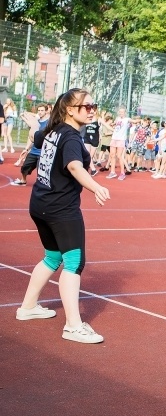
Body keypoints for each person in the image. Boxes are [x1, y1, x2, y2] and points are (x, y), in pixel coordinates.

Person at [16, 89, 110, 343]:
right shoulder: (69, 137)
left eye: (93, 105)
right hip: (61, 208)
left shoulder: (53, 130)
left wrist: (35, 124)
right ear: (70, 109)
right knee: (74, 263)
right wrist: (95, 186)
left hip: (40, 204)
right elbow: (74, 166)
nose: (91, 109)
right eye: (86, 106)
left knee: (53, 256)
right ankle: (73, 326)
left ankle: (28, 307)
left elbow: (38, 138)